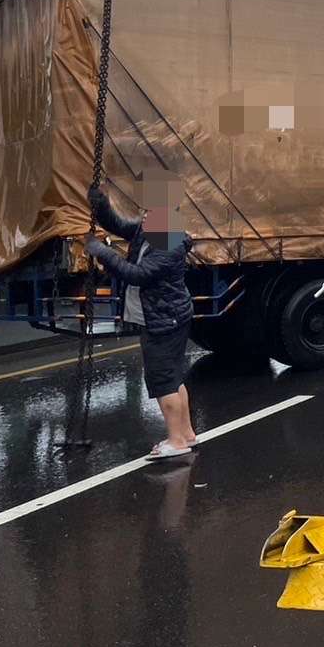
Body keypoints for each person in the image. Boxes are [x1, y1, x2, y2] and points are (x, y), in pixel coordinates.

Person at [85, 172, 198, 459]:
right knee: (173, 377)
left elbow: (138, 275)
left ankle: (176, 441)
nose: (144, 215)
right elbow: (120, 225)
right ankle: (186, 434)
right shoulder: (154, 230)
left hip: (163, 319)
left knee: (162, 379)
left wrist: (104, 254)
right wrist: (100, 206)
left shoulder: (169, 242)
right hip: (169, 316)